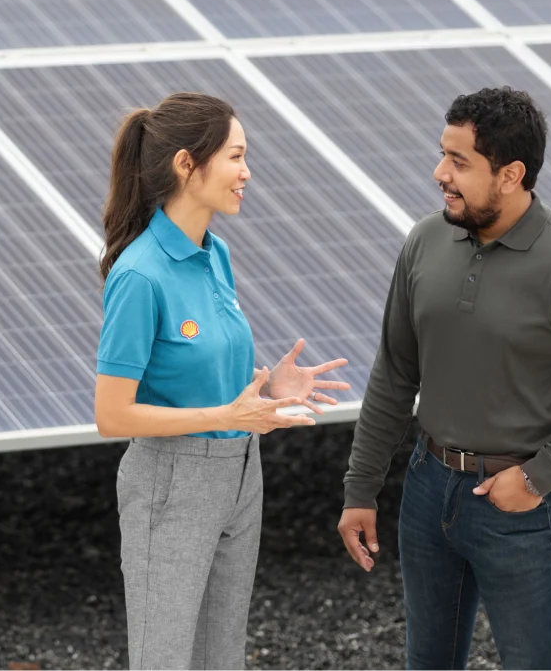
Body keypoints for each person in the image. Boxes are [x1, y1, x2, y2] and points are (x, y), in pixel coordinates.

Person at [337, 86, 551, 671]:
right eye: (442, 155)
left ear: (511, 175)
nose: (439, 173)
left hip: (520, 509)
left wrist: (536, 478)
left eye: (459, 162)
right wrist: (361, 489)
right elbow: (396, 372)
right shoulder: (426, 240)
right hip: (428, 492)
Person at [96, 91, 350, 671]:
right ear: (187, 164)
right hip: (172, 481)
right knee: (163, 659)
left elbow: (210, 379)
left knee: (221, 659)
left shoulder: (216, 254)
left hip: (241, 474)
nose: (247, 172)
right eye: (235, 157)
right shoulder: (139, 275)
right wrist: (225, 418)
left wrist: (266, 392)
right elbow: (112, 415)